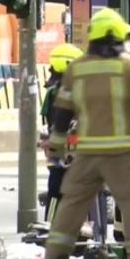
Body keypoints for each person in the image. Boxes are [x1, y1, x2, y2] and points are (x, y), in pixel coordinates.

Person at [41, 8, 130, 259]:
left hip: (87, 151)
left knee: (73, 202)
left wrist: (57, 147)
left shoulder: (77, 69)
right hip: (122, 152)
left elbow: (62, 112)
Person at [40, 43, 84, 222]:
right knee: (59, 191)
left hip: (62, 150)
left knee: (57, 191)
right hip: (67, 151)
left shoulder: (54, 90)